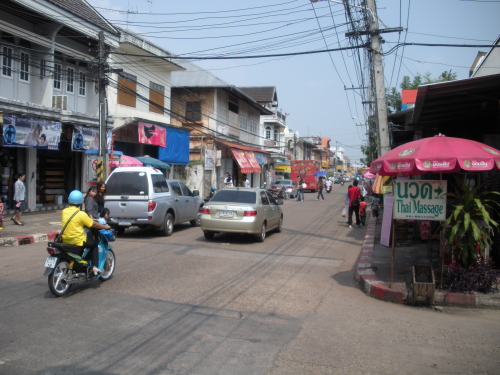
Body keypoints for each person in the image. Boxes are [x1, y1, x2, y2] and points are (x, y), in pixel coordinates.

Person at [61, 190, 111, 275]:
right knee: (94, 244)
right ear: (81, 202)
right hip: (77, 241)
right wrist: (105, 227)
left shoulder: (64, 211)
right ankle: (94, 267)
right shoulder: (81, 214)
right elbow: (93, 224)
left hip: (65, 239)